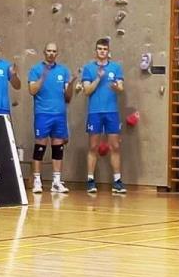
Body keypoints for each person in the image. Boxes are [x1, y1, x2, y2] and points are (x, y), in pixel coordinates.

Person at [80, 37, 126, 195]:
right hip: (95, 112)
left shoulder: (116, 67)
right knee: (93, 146)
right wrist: (99, 78)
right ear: (96, 51)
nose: (102, 51)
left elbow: (121, 88)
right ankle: (90, 180)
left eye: (105, 49)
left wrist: (116, 87)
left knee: (115, 146)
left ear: (108, 51)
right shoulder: (88, 68)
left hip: (111, 112)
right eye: (100, 49)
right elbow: (87, 91)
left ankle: (117, 181)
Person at [27, 42, 72, 194]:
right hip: (42, 113)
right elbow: (32, 90)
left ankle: (56, 182)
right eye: (49, 51)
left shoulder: (63, 71)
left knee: (58, 148)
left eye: (54, 51)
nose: (51, 53)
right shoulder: (35, 70)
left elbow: (68, 97)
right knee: (40, 147)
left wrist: (71, 84)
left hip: (59, 114)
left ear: (57, 53)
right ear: (44, 52)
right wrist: (43, 77)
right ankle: (37, 181)